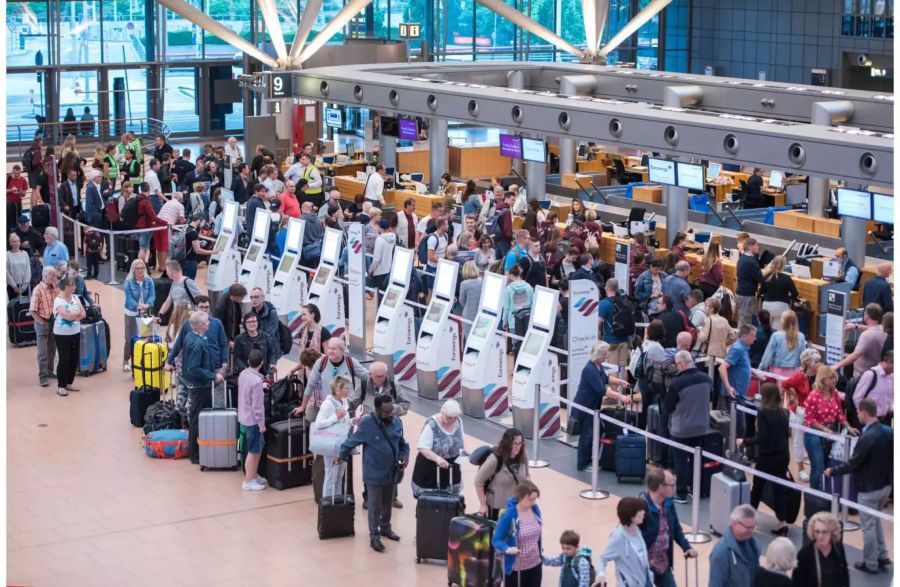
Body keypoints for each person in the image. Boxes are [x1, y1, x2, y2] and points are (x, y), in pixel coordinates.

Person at [825, 398, 893, 575]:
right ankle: (882, 554)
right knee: (875, 520)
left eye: (858, 412)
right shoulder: (888, 431)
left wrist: (833, 471)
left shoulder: (866, 437)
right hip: (885, 486)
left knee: (868, 525)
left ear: (864, 412)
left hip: (868, 488)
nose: (856, 415)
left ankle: (871, 562)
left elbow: (853, 463)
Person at [339, 395, 409, 552]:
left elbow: (403, 445)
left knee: (387, 502)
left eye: (392, 411)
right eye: (386, 411)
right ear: (377, 410)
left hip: (391, 472)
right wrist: (341, 454)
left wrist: (404, 457)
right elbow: (352, 441)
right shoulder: (367, 423)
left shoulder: (397, 422)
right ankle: (374, 536)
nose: (390, 414)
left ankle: (385, 528)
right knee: (374, 505)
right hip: (373, 473)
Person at [737, 383, 791, 535]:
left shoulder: (763, 413)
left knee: (757, 489)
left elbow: (762, 437)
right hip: (783, 456)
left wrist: (745, 441)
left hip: (767, 458)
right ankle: (782, 522)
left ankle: (749, 519)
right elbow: (787, 435)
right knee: (779, 490)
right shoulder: (784, 412)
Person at [572, 341, 629, 471]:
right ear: (598, 354)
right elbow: (602, 389)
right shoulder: (589, 369)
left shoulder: (597, 366)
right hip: (585, 408)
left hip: (592, 407)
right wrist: (620, 396)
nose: (607, 357)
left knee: (591, 434)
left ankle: (588, 460)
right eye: (605, 354)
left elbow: (605, 378)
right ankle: (583, 463)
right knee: (587, 435)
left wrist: (620, 381)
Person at [665, 350, 713, 503]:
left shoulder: (677, 383)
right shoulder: (707, 379)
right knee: (695, 458)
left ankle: (681, 493)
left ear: (680, 364)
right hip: (701, 427)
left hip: (681, 429)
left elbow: (668, 407)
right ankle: (695, 487)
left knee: (681, 461)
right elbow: (712, 397)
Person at [180, 312, 226, 464]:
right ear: (200, 325)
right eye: (207, 321)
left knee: (195, 417)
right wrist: (213, 375)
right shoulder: (198, 343)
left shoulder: (190, 337)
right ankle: (196, 454)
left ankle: (196, 451)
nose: (210, 323)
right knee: (198, 419)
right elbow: (194, 368)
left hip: (195, 384)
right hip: (200, 386)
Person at [638, 468, 697, 586]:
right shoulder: (641, 508)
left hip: (663, 564)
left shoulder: (668, 503)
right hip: (643, 567)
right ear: (661, 487)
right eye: (672, 485)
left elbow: (676, 528)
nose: (674, 488)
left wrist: (687, 547)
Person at [803, 366, 858, 492]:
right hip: (814, 434)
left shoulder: (835, 393)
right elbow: (809, 420)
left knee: (828, 464)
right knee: (818, 465)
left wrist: (848, 427)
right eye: (831, 378)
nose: (834, 380)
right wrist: (824, 429)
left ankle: (827, 492)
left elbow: (839, 413)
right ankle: (815, 494)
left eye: (834, 377)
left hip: (831, 433)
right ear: (823, 379)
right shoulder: (813, 396)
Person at [299, 337, 369, 422]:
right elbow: (310, 385)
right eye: (329, 348)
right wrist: (303, 406)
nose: (330, 351)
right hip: (326, 407)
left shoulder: (351, 362)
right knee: (314, 428)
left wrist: (356, 397)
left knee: (344, 433)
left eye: (333, 349)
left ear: (342, 350)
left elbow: (367, 376)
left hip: (345, 409)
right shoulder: (321, 363)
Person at [780, 348, 822, 482]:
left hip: (815, 414)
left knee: (814, 440)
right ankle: (800, 468)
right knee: (798, 440)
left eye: (819, 361)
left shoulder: (820, 375)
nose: (819, 364)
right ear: (808, 363)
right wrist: (793, 396)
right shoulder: (799, 376)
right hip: (800, 412)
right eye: (816, 362)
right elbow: (784, 384)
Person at [493, 481, 544, 587]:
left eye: (535, 499)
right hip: (516, 567)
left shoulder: (535, 510)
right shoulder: (509, 515)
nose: (533, 502)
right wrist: (507, 549)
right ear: (520, 497)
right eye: (530, 499)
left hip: (535, 562)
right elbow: (496, 540)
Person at [411, 399, 465, 497]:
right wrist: (438, 458)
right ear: (442, 413)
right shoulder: (432, 424)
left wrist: (463, 454)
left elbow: (460, 441)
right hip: (431, 466)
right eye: (449, 417)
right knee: (431, 500)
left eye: (455, 417)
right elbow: (422, 447)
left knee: (452, 498)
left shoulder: (458, 421)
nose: (452, 420)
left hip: (452, 466)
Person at [316, 376, 353, 498]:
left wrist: (353, 421)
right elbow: (319, 424)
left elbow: (344, 422)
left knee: (339, 477)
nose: (349, 391)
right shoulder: (327, 404)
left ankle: (337, 501)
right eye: (346, 388)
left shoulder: (344, 401)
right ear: (338, 389)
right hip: (331, 444)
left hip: (342, 444)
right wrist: (335, 418)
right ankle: (327, 503)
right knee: (330, 475)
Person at [708, 504, 762, 587]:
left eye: (753, 527)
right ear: (734, 523)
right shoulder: (721, 552)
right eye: (748, 527)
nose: (751, 531)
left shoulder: (754, 545)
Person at [792, 512, 849, 586]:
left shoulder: (838, 548)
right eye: (817, 531)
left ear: (832, 532)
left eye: (824, 532)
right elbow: (797, 583)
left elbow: (844, 573)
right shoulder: (804, 554)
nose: (820, 536)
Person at [238, 349, 268, 491]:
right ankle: (248, 480)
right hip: (253, 420)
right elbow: (257, 407)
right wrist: (261, 424)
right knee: (253, 450)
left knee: (258, 446)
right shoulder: (256, 381)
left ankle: (254, 475)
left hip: (244, 416)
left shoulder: (243, 374)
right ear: (261, 363)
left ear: (248, 362)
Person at [52, 275, 85, 398]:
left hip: (75, 332)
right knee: (64, 358)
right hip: (62, 334)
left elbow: (84, 314)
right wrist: (76, 314)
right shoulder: (58, 300)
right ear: (66, 287)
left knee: (74, 359)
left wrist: (74, 315)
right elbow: (66, 316)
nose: (75, 287)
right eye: (73, 285)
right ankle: (61, 386)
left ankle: (69, 382)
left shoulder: (75, 297)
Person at [835, 303, 887, 378]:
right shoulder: (883, 330)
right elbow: (872, 328)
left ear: (867, 315)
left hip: (862, 375)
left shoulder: (866, 335)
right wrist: (855, 326)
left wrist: (837, 365)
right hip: (876, 373)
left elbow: (855, 355)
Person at [122, 259, 155, 372]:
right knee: (129, 338)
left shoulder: (149, 280)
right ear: (133, 269)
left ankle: (141, 361)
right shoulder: (128, 281)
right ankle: (126, 360)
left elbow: (152, 295)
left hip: (145, 312)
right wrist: (137, 306)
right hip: (131, 312)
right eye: (138, 268)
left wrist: (148, 304)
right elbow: (129, 298)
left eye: (142, 268)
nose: (140, 270)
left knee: (146, 336)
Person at [30, 266, 58, 387]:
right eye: (53, 275)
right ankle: (42, 376)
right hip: (42, 322)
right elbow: (32, 310)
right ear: (45, 276)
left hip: (52, 322)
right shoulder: (38, 290)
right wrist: (41, 322)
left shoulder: (53, 288)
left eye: (55, 275)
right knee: (42, 351)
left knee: (52, 349)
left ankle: (49, 371)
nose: (55, 278)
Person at [758, 309, 806, 377]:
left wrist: (760, 369)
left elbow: (767, 356)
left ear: (783, 321)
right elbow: (803, 357)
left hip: (777, 372)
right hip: (795, 372)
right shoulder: (801, 336)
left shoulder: (776, 336)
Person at [851, 349, 894, 423]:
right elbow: (857, 397)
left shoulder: (892, 377)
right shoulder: (870, 375)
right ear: (889, 362)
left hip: (885, 420)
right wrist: (865, 417)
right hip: (869, 420)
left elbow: (890, 398)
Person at [760, 255, 799, 328]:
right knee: (777, 329)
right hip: (780, 306)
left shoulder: (766, 276)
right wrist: (789, 298)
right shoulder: (786, 278)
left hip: (766, 305)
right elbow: (795, 293)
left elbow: (762, 291)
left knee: (766, 328)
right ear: (783, 265)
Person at [735, 237, 764, 327]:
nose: (758, 247)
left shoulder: (742, 258)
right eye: (756, 245)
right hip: (746, 295)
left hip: (740, 292)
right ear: (751, 247)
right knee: (745, 321)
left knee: (742, 319)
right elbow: (760, 278)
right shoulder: (751, 262)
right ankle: (741, 340)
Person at [458, 261, 483, 340]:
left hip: (468, 314)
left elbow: (462, 300)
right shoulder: (481, 281)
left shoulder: (464, 284)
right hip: (480, 313)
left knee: (467, 337)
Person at [7, 234, 31, 299]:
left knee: (24, 307)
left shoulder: (25, 254)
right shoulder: (7, 255)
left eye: (18, 241)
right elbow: (6, 272)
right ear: (11, 243)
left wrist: (23, 287)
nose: (17, 243)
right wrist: (14, 286)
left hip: (24, 286)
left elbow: (28, 270)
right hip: (12, 287)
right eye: (15, 241)